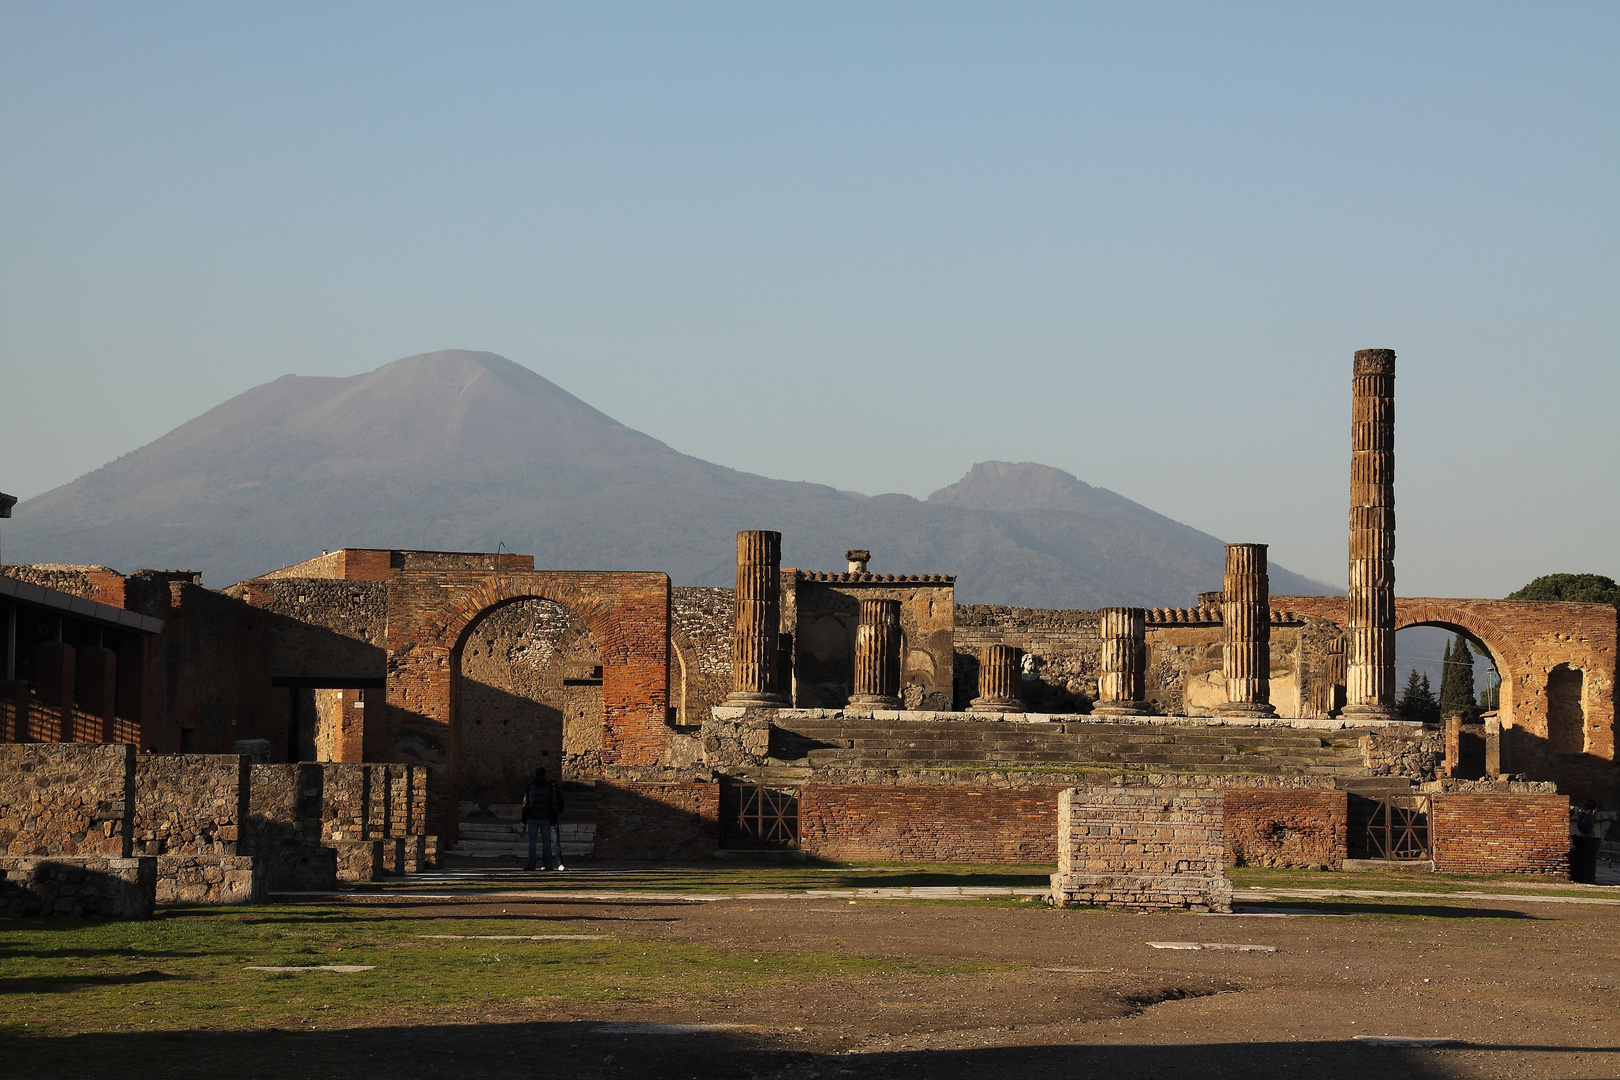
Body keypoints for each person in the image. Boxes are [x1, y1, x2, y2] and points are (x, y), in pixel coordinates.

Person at [521, 767, 565, 872]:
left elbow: (525, 804)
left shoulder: (530, 787)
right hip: (546, 817)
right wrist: (554, 820)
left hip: (533, 817)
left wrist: (523, 820)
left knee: (532, 842)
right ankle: (548, 865)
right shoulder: (548, 787)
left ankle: (532, 865)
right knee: (546, 842)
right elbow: (553, 804)